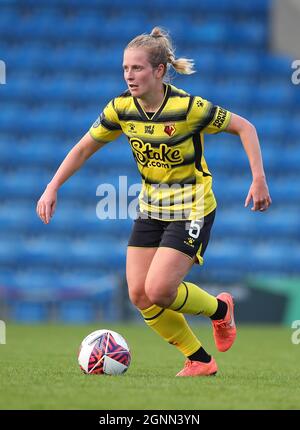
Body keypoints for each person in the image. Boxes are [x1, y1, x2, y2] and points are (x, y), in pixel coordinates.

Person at [36, 27, 272, 377]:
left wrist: (259, 178)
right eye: (125, 69)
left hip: (192, 205)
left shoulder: (187, 107)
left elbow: (245, 127)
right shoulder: (120, 109)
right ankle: (200, 360)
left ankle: (220, 311)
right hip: (152, 208)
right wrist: (52, 185)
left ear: (159, 71)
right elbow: (85, 146)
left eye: (137, 68)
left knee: (160, 289)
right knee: (139, 294)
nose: (130, 75)